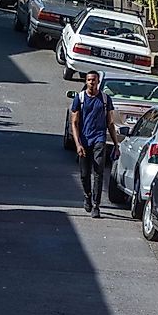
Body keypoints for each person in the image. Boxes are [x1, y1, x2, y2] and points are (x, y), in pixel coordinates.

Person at [70, 70, 119, 218]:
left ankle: (96, 205)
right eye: (89, 80)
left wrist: (116, 144)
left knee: (98, 172)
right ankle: (87, 195)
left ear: (98, 82)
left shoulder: (105, 99)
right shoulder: (80, 98)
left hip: (99, 139)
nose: (92, 82)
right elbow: (74, 122)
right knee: (85, 175)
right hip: (84, 140)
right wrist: (78, 144)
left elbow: (110, 123)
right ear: (86, 81)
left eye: (94, 80)